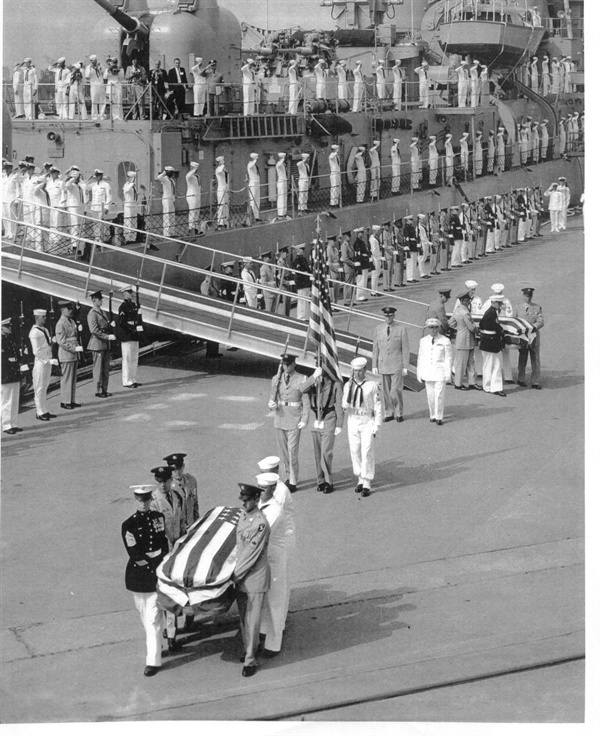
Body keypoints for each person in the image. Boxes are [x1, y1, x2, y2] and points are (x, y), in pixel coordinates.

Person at [121, 484, 169, 677]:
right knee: (145, 616)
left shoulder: (158, 518)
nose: (143, 503)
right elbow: (134, 553)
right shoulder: (128, 525)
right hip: (139, 576)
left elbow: (163, 543)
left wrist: (161, 563)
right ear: (135, 500)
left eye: (146, 499)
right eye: (140, 500)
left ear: (151, 500)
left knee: (152, 618)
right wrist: (154, 562)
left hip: (156, 573)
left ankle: (153, 661)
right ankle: (157, 644)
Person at [233, 484, 271, 677]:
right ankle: (249, 648)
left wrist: (233, 577)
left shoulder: (260, 523)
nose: (243, 502)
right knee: (244, 620)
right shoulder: (243, 516)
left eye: (247, 499)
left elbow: (250, 554)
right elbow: (239, 547)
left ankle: (250, 660)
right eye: (242, 499)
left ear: (256, 500)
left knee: (253, 620)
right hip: (242, 578)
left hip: (254, 578)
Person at [267, 353, 309, 493]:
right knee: (284, 452)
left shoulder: (302, 379)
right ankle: (288, 476)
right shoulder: (276, 378)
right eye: (284, 364)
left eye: (289, 364)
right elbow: (273, 396)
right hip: (280, 417)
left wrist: (304, 419)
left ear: (294, 364)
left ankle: (293, 481)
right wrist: (271, 404)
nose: (286, 366)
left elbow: (306, 402)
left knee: (292, 452)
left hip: (294, 419)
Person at [255, 473, 287, 656]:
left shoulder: (275, 509)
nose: (260, 492)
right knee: (265, 600)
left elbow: (261, 533)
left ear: (273, 489)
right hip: (263, 558)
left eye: (264, 489)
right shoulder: (261, 504)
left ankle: (274, 643)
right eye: (259, 488)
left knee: (275, 600)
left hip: (274, 559)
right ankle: (265, 633)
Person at [342, 356, 382, 497]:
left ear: (365, 369)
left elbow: (378, 406)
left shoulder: (372, 385)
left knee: (367, 450)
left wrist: (377, 424)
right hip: (353, 419)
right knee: (355, 450)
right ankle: (359, 477)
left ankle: (367, 481)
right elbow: (344, 402)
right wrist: (344, 405)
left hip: (366, 420)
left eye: (360, 370)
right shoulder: (349, 385)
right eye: (355, 371)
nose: (357, 373)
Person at [300, 364, 344, 493]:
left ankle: (328, 481)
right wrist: (314, 376)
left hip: (329, 419)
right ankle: (320, 480)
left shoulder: (335, 384)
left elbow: (339, 406)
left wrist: (339, 424)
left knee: (326, 452)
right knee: (317, 452)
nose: (323, 370)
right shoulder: (313, 381)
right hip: (316, 420)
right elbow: (302, 389)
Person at [372, 306, 410, 423]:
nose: (388, 318)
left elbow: (405, 349)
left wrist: (405, 366)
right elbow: (375, 348)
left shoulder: (401, 329)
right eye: (386, 316)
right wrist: (374, 365)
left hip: (396, 364)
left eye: (390, 316)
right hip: (383, 364)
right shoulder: (378, 329)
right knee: (385, 392)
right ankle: (389, 412)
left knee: (395, 390)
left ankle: (399, 412)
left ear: (394, 316)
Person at [417, 318, 452, 425]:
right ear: (427, 328)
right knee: (430, 395)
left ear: (439, 328)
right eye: (431, 327)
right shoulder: (423, 341)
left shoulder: (445, 340)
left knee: (439, 395)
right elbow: (421, 358)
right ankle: (432, 414)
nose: (433, 330)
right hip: (428, 372)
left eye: (435, 327)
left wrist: (448, 374)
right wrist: (419, 373)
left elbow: (448, 358)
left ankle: (439, 416)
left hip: (440, 372)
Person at [449, 290, 481, 391]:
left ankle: (472, 382)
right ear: (464, 301)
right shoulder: (465, 312)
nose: (469, 302)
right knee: (462, 363)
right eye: (468, 300)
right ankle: (458, 383)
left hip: (462, 338)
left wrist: (459, 328)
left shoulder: (457, 310)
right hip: (466, 340)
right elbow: (471, 327)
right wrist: (478, 331)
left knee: (470, 361)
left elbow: (451, 323)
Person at [29, 309, 56, 421]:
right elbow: (36, 351)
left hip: (47, 360)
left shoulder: (44, 330)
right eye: (42, 317)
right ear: (37, 318)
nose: (45, 318)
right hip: (41, 362)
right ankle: (39, 411)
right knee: (39, 387)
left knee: (45, 386)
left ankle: (44, 409)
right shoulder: (34, 332)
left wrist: (52, 342)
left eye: (45, 317)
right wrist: (47, 360)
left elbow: (47, 345)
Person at [86, 290, 114, 398]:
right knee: (98, 368)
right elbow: (93, 330)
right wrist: (106, 336)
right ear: (94, 300)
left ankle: (104, 389)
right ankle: (97, 390)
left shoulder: (103, 312)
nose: (101, 300)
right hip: (97, 344)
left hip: (105, 344)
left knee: (105, 368)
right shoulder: (92, 314)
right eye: (99, 299)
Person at [55, 300, 82, 410]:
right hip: (67, 353)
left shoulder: (71, 321)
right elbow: (61, 341)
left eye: (71, 309)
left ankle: (71, 400)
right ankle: (65, 401)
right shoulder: (61, 323)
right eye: (68, 309)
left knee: (73, 378)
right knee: (67, 378)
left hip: (73, 353)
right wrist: (74, 348)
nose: (70, 311)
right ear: (62, 310)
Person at [516, 286, 544, 390]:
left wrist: (533, 327)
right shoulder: (518, 307)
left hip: (534, 337)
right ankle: (521, 379)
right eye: (526, 296)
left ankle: (535, 381)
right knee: (522, 358)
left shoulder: (537, 308)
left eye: (530, 296)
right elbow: (515, 320)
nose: (528, 298)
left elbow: (541, 321)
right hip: (523, 337)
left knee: (535, 359)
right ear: (523, 296)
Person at [149, 465, 184, 547]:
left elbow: (182, 520)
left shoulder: (177, 496)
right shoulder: (153, 502)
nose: (162, 485)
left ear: (171, 480)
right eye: (159, 482)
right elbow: (157, 530)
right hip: (165, 546)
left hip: (179, 542)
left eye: (165, 481)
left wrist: (182, 540)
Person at [163, 453, 199, 531]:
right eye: (174, 470)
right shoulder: (167, 487)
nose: (177, 472)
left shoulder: (191, 481)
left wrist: (197, 524)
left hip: (191, 525)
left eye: (179, 468)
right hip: (177, 530)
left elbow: (195, 504)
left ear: (183, 466)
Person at [479, 294, 506, 396]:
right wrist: (502, 330)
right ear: (493, 303)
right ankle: (496, 387)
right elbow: (495, 327)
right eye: (498, 303)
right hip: (492, 343)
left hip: (486, 342)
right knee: (496, 365)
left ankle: (487, 386)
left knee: (487, 365)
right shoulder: (491, 313)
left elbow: (482, 324)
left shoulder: (489, 312)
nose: (499, 305)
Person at [117, 285, 143, 388]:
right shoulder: (122, 307)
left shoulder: (134, 305)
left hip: (134, 334)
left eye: (131, 292)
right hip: (127, 335)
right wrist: (133, 328)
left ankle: (133, 379)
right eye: (129, 292)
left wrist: (139, 315)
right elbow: (122, 323)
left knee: (134, 358)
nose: (131, 294)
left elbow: (138, 319)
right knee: (127, 359)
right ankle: (127, 381)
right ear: (124, 294)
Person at [1, 318, 24, 434]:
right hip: (5, 374)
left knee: (14, 399)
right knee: (6, 401)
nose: (10, 328)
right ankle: (6, 425)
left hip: (14, 372)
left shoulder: (10, 340)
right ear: (1, 328)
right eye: (7, 326)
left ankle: (13, 423)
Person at [62, 166, 87, 255]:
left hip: (80, 207)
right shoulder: (71, 185)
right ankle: (74, 246)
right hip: (73, 207)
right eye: (76, 176)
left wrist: (84, 208)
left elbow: (85, 194)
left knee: (81, 227)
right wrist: (72, 179)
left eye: (78, 176)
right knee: (75, 226)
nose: (77, 178)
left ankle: (81, 245)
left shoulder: (80, 185)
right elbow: (66, 185)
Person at [88, 169, 112, 242]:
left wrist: (107, 207)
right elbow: (85, 187)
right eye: (96, 176)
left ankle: (102, 239)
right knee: (95, 224)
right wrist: (89, 179)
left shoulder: (106, 185)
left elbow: (109, 197)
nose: (97, 177)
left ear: (101, 176)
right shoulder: (93, 185)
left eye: (98, 175)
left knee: (102, 224)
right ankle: (97, 238)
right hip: (94, 207)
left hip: (102, 207)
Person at [291, 244, 311, 320]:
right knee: (302, 301)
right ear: (298, 250)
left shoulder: (303, 259)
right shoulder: (297, 261)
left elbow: (308, 270)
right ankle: (301, 317)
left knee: (306, 301)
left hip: (306, 283)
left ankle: (306, 316)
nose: (303, 251)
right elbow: (298, 272)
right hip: (301, 283)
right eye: (302, 249)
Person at [157, 166, 177, 237]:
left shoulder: (171, 180)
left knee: (172, 216)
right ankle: (167, 234)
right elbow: (159, 177)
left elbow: (172, 191)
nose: (172, 174)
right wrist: (164, 172)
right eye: (171, 172)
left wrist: (174, 199)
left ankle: (172, 232)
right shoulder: (165, 179)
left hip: (171, 199)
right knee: (167, 216)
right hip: (166, 199)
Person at [123, 170, 139, 243]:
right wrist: (131, 183)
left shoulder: (133, 186)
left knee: (134, 222)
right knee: (128, 222)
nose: (134, 179)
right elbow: (126, 190)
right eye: (133, 178)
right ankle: (127, 238)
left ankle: (133, 238)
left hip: (133, 205)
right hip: (128, 206)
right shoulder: (127, 185)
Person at [185, 162, 201, 235]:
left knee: (197, 213)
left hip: (197, 196)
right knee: (192, 212)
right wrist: (193, 170)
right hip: (192, 196)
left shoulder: (197, 176)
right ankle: (191, 229)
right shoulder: (189, 175)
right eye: (194, 167)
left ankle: (196, 229)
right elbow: (188, 176)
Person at [215, 156, 229, 228]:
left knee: (226, 205)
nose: (223, 161)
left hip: (225, 189)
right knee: (221, 206)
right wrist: (222, 165)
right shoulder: (218, 169)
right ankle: (220, 222)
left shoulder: (223, 169)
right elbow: (220, 171)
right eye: (222, 160)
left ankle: (226, 221)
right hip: (221, 190)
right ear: (219, 161)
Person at [247, 153, 262, 221]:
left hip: (257, 183)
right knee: (252, 201)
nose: (257, 159)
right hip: (253, 184)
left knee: (257, 200)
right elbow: (250, 167)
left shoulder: (255, 165)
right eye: (256, 157)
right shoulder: (250, 164)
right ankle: (252, 216)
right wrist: (254, 161)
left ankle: (256, 216)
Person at [275, 152, 287, 218]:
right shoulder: (278, 164)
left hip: (284, 181)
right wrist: (282, 159)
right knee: (281, 197)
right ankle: (280, 213)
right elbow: (279, 164)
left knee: (285, 197)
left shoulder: (283, 164)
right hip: (281, 182)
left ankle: (284, 212)